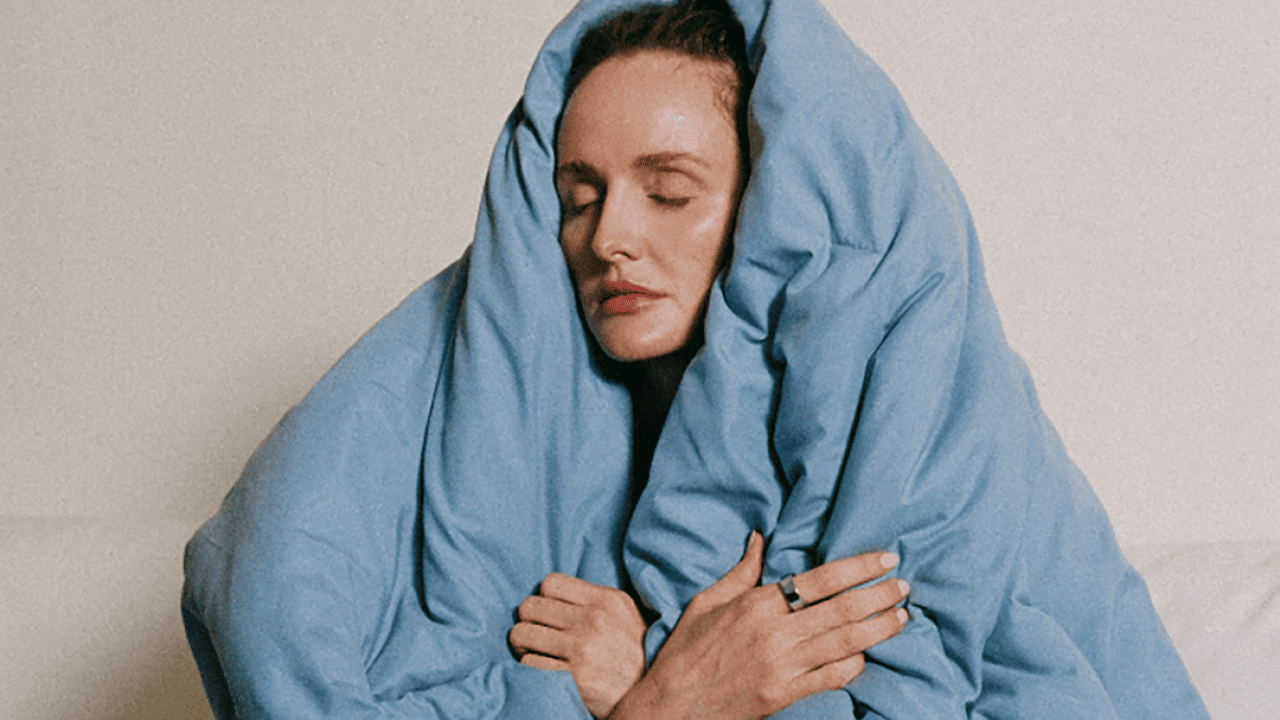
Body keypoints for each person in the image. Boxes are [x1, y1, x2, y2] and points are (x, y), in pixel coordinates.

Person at [183, 1, 1209, 718]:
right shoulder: (526, 437)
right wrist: (672, 700)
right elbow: (280, 601)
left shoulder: (933, 437)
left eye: (666, 191)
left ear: (770, 215)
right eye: (577, 197)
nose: (608, 236)